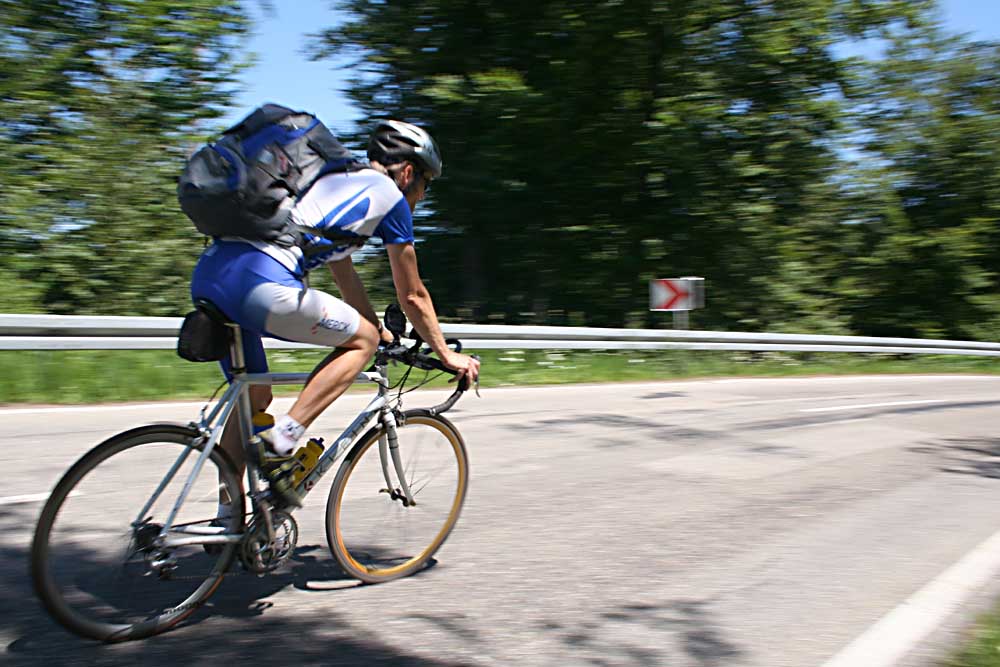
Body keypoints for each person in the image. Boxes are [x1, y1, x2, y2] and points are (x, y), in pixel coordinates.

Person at [190, 120, 480, 509]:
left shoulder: (334, 183)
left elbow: (342, 272)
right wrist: (446, 354)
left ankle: (228, 517)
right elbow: (412, 294)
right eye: (426, 184)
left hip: (212, 275)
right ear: (408, 172)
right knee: (363, 341)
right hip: (259, 283)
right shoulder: (390, 198)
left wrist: (378, 328)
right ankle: (282, 442)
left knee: (254, 396)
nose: (422, 196)